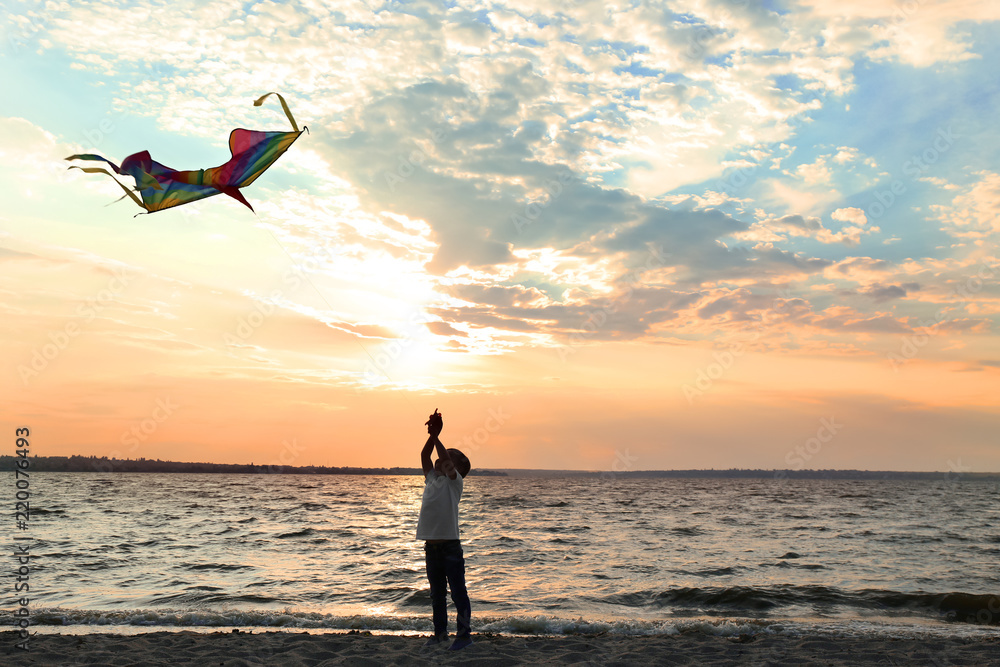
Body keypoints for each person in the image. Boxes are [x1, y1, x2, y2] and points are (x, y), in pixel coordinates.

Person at [417, 408, 473, 651]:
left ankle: (464, 635)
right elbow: (424, 455)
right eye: (441, 456)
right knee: (436, 595)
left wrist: (440, 438)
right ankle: (440, 634)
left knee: (458, 592)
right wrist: (432, 435)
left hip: (450, 547)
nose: (441, 458)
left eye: (448, 457)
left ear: (456, 468)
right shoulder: (432, 478)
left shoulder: (454, 482)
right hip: (431, 547)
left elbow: (446, 461)